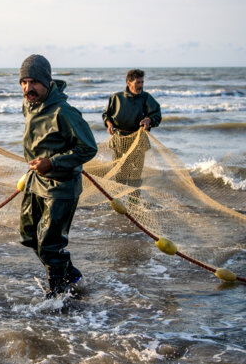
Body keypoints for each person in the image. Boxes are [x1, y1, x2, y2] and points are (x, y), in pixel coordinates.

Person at [18, 55, 97, 297]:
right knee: (29, 236)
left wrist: (52, 162)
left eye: (33, 82)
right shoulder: (29, 105)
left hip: (60, 186)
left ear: (47, 82)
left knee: (50, 245)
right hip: (36, 182)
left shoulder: (64, 112)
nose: (27, 88)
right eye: (23, 82)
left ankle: (59, 299)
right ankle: (72, 276)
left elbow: (88, 148)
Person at [102, 69, 162, 188]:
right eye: (137, 82)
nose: (140, 86)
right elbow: (106, 115)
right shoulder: (116, 97)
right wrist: (109, 124)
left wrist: (148, 120)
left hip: (139, 140)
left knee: (135, 174)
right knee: (120, 172)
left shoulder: (146, 98)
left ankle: (134, 202)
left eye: (142, 82)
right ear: (129, 83)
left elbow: (157, 115)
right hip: (119, 139)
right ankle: (119, 200)